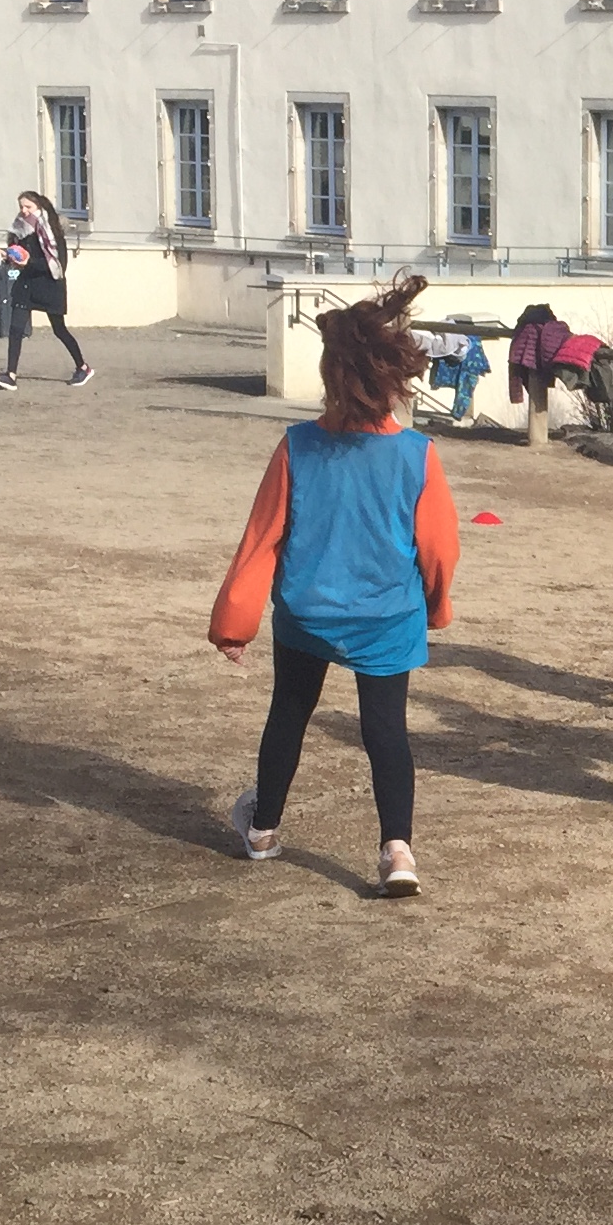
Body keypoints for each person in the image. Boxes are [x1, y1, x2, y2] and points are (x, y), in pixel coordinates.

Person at [209, 275, 459, 899]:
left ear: (330, 373)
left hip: (308, 613)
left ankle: (263, 829)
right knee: (387, 731)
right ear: (393, 377)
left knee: (289, 715)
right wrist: (436, 605)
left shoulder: (297, 445)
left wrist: (234, 623)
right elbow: (438, 547)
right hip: (387, 614)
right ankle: (397, 851)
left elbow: (261, 538)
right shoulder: (418, 452)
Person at [0, 189, 91, 392]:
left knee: (59, 329)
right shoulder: (20, 230)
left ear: (39, 208)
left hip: (50, 284)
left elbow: (57, 264)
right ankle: (10, 376)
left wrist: (28, 261)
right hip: (26, 283)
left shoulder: (52, 231)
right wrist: (5, 254)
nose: (24, 211)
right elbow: (19, 255)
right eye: (21, 207)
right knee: (15, 329)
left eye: (28, 207)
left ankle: (83, 367)